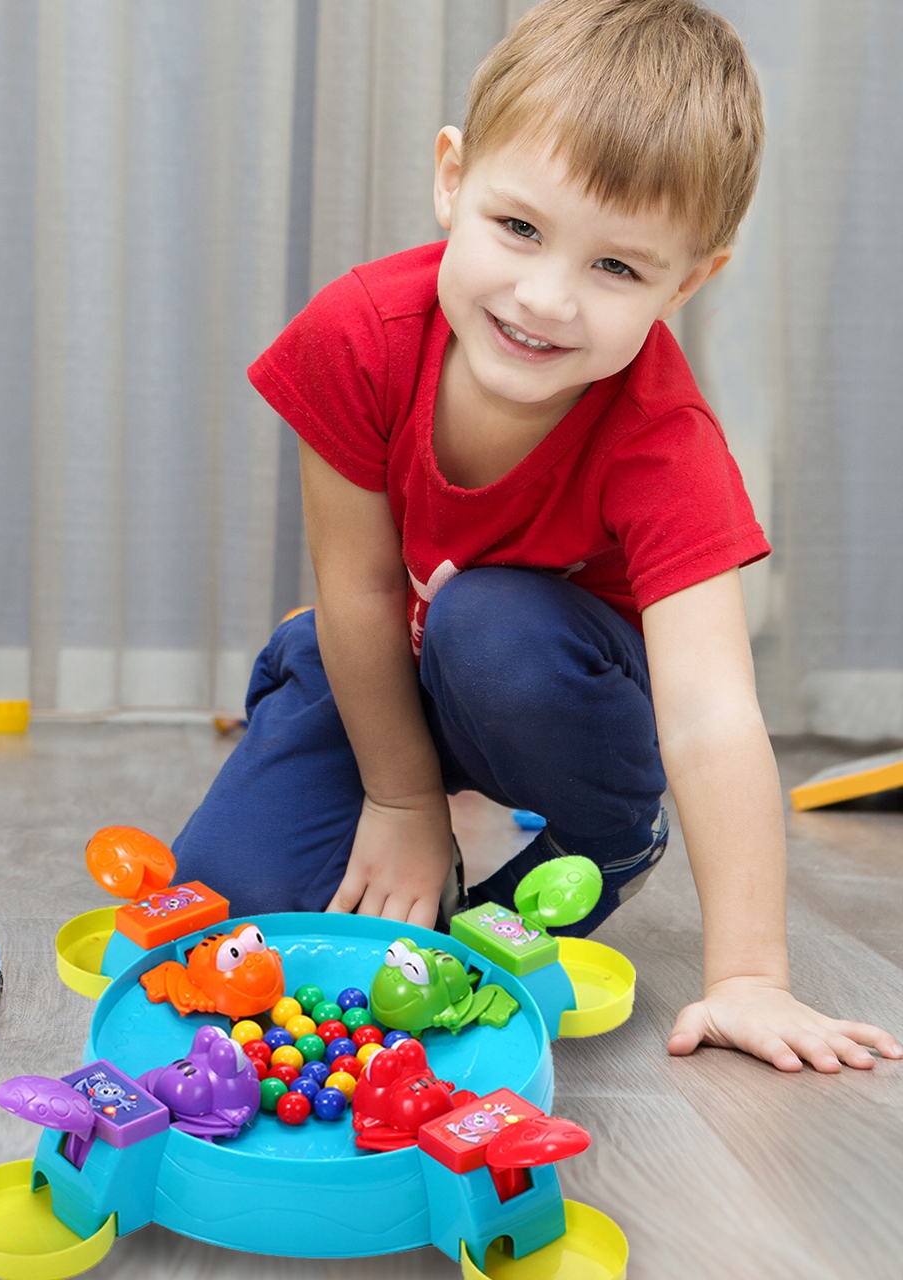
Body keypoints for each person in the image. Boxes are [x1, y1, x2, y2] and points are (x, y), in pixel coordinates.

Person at [173, 0, 902, 1073]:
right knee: (228, 909)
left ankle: (601, 832)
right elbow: (362, 591)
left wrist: (746, 971)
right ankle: (420, 789)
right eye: (517, 228)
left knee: (490, 621)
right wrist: (401, 796)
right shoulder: (355, 336)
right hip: (397, 663)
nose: (544, 297)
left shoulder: (665, 444)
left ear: (689, 280)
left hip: (547, 693)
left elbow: (706, 714)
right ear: (451, 179)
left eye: (617, 269)